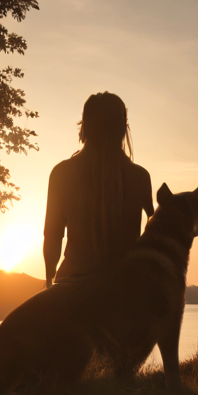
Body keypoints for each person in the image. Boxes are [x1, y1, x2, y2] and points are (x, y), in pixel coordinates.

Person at [43, 92, 154, 287]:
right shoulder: (140, 177)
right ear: (122, 128)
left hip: (71, 286)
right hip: (124, 287)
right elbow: (155, 234)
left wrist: (49, 281)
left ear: (84, 127)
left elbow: (52, 236)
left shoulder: (61, 174)